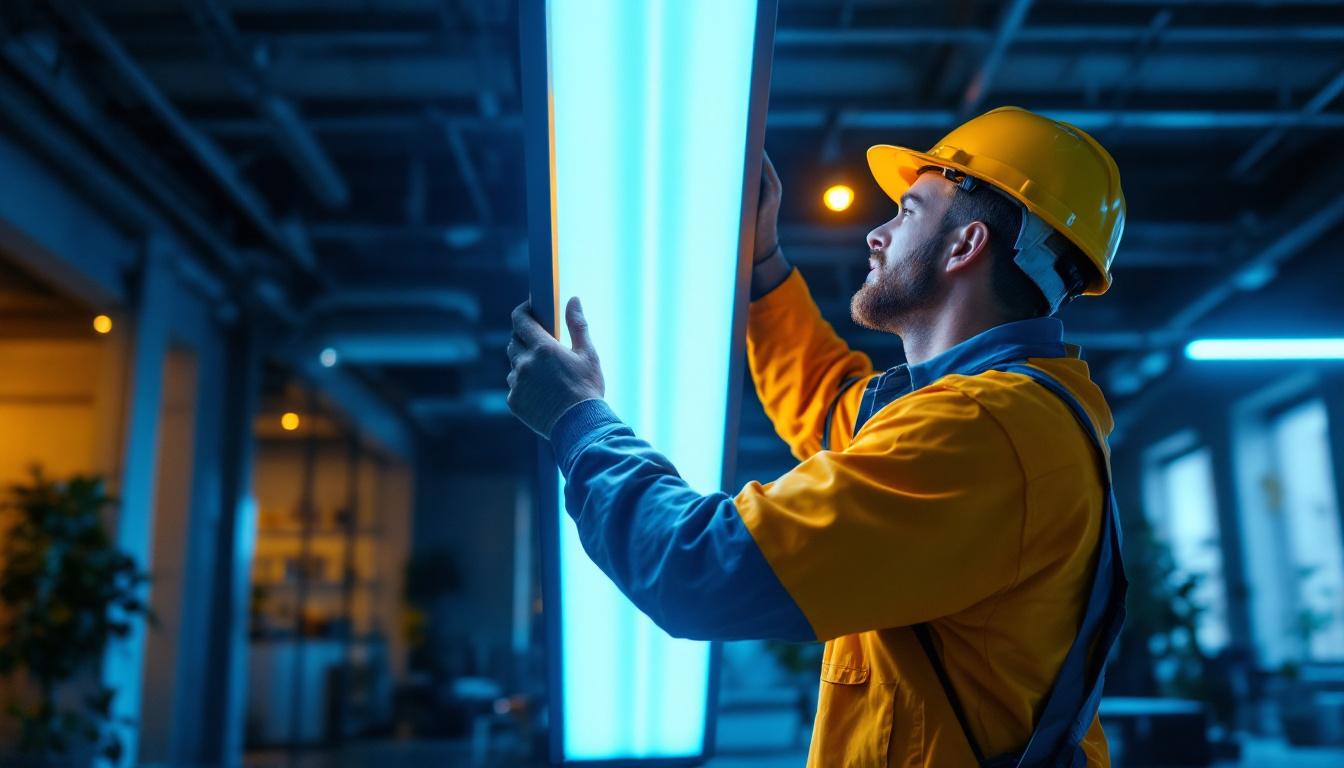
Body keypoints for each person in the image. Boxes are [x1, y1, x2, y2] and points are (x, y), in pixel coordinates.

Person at [505, 106, 1128, 767]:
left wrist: (577, 419)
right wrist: (762, 260)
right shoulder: (987, 415)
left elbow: (698, 569)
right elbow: (828, 403)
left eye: (908, 211)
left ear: (965, 245)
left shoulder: (985, 430)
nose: (877, 235)